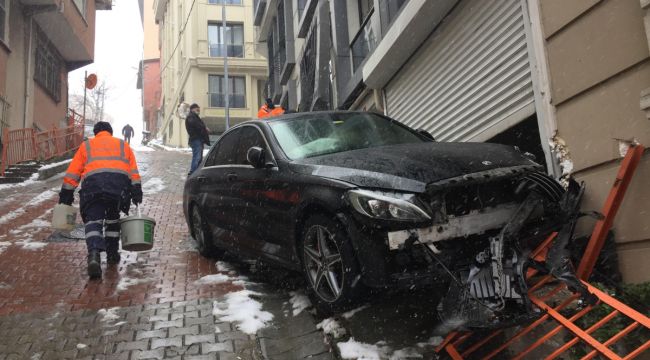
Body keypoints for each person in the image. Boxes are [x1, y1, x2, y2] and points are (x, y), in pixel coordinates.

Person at [58, 121, 143, 279]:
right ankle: (112, 254)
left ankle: (94, 254)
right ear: (110, 132)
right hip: (117, 189)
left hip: (93, 188)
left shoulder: (87, 145)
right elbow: (133, 171)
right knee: (112, 220)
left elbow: (73, 171)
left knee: (93, 221)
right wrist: (136, 190)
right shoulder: (123, 145)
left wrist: (66, 193)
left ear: (96, 132)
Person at [185, 103, 210, 175]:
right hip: (196, 140)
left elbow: (198, 125)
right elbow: (196, 125)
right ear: (192, 109)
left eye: (199, 109)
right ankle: (193, 172)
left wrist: (204, 128)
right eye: (197, 108)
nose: (198, 110)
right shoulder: (191, 117)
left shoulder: (195, 117)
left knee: (199, 158)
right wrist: (204, 128)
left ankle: (196, 172)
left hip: (198, 140)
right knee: (197, 157)